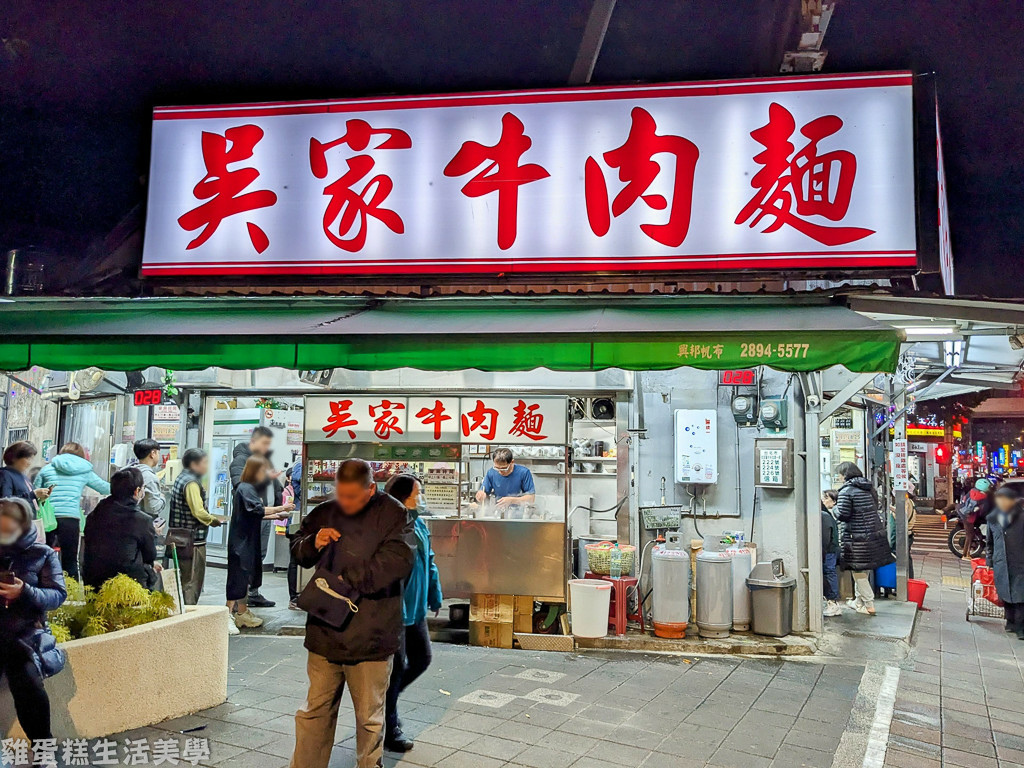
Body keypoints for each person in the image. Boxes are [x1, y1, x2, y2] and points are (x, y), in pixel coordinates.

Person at [290, 459, 416, 768]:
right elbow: (297, 545)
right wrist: (312, 542)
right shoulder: (325, 511)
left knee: (369, 718)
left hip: (371, 634)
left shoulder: (395, 514)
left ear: (371, 488)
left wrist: (347, 578)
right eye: (340, 495)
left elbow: (398, 561)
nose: (344, 503)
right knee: (315, 712)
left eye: (352, 497)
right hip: (324, 629)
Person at [0, 497, 67, 748]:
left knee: (27, 678)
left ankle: (44, 748)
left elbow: (57, 595)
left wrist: (24, 592)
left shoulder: (42, 554)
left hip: (25, 634)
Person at [383, 474, 443, 753]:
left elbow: (430, 562)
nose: (422, 496)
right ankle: (390, 728)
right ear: (403, 497)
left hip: (416, 609)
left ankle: (385, 701)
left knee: (422, 659)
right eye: (418, 492)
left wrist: (435, 595)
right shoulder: (391, 527)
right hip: (396, 612)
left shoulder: (419, 523)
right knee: (395, 672)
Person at [227, 455, 293, 633]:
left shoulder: (251, 488)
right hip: (241, 540)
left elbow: (257, 514)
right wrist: (281, 509)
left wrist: (279, 515)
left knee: (248, 574)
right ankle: (227, 615)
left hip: (249, 538)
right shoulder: (245, 488)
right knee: (238, 576)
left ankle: (242, 612)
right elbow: (257, 509)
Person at [35, 442, 110, 580]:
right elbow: (105, 488)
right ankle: (71, 593)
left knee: (43, 557)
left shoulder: (47, 469)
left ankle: (42, 590)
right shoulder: (84, 470)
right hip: (70, 519)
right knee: (70, 560)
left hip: (48, 519)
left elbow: (34, 492)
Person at [82, 467, 161, 590]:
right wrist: (152, 534)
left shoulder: (94, 515)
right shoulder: (142, 520)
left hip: (94, 584)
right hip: (128, 586)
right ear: (137, 491)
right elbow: (150, 556)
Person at [229, 426, 281, 608]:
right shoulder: (241, 460)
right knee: (246, 560)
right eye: (264, 443)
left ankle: (252, 593)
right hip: (252, 517)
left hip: (265, 514)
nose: (267, 447)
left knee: (259, 555)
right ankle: (239, 599)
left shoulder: (263, 460)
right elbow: (241, 486)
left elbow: (274, 484)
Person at [833, 462, 891, 616]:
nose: (838, 477)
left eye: (839, 474)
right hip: (871, 536)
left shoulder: (846, 491)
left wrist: (833, 507)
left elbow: (843, 514)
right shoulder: (868, 488)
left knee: (857, 572)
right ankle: (858, 602)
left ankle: (869, 603)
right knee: (862, 570)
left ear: (845, 474)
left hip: (856, 538)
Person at [169, 448, 225, 604]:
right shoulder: (191, 483)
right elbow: (198, 511)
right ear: (194, 464)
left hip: (179, 538)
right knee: (192, 581)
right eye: (205, 462)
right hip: (192, 541)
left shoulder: (181, 478)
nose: (207, 466)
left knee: (183, 579)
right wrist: (214, 520)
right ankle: (189, 616)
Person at [989, 485, 1024, 638]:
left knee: (1020, 596)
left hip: (1019, 562)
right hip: (1001, 562)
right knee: (1005, 592)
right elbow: (989, 542)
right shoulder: (993, 519)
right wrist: (990, 561)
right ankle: (1010, 622)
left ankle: (1021, 627)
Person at [474, 448, 535, 514]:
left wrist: (512, 500)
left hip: (519, 513)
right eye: (497, 468)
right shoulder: (491, 473)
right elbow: (484, 492)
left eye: (504, 468)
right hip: (498, 512)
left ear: (512, 462)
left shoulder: (524, 473)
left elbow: (531, 498)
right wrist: (480, 495)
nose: (500, 471)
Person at [0, 442, 50, 512]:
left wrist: (40, 498)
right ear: (14, 458)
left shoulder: (23, 476)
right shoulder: (5, 475)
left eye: (31, 459)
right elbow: (6, 501)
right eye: (27, 458)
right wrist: (33, 494)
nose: (29, 462)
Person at [132, 438, 168, 522]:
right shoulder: (149, 477)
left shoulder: (131, 470)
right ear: (153, 453)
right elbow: (153, 508)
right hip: (143, 525)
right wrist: (162, 498)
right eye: (158, 453)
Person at [961, 477, 993, 561]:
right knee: (969, 535)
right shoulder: (981, 496)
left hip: (966, 515)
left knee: (970, 535)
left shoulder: (972, 492)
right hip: (969, 517)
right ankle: (965, 554)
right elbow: (984, 509)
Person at [820, 490, 841, 617]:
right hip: (832, 550)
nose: (824, 500)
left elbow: (826, 537)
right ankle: (832, 602)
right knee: (830, 573)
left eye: (826, 497)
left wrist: (822, 551)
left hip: (829, 551)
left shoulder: (825, 515)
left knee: (829, 573)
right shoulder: (827, 514)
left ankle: (833, 603)